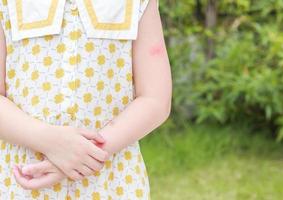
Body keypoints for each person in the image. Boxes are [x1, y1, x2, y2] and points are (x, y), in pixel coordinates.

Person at [0, 0, 172, 199]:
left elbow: (155, 99)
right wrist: (50, 141)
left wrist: (86, 154)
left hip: (110, 182)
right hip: (23, 181)